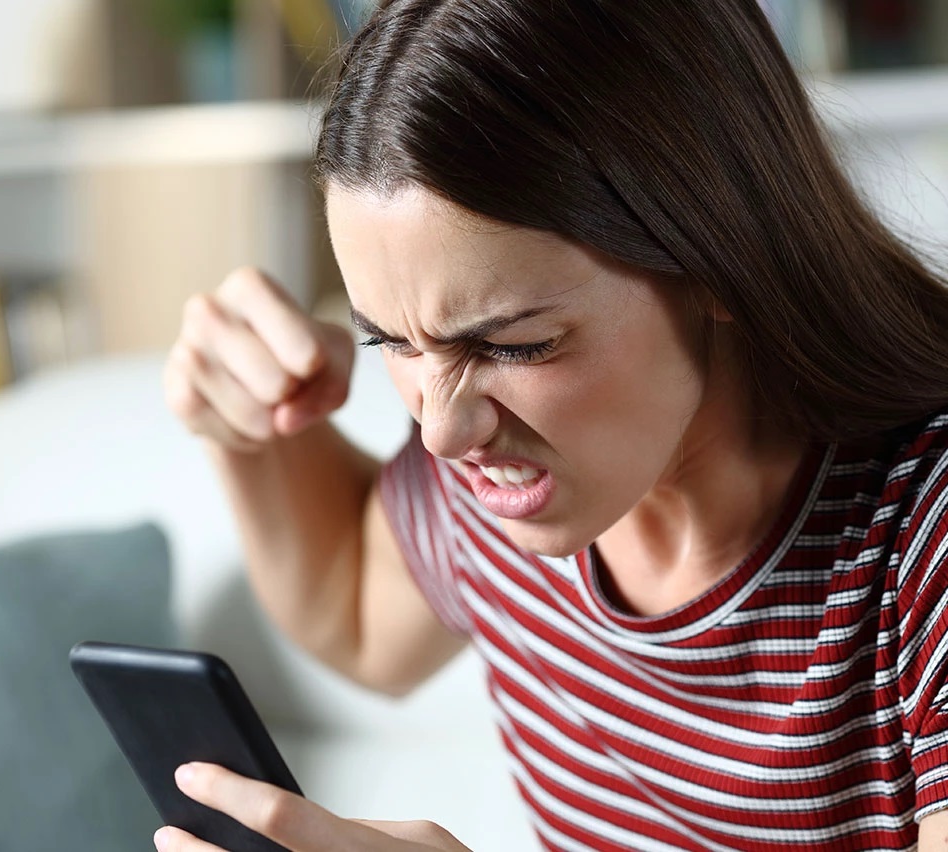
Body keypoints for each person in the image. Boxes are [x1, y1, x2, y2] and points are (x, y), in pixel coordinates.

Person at [159, 0, 948, 849]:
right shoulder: (500, 483)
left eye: (513, 344)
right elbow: (352, 610)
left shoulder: (922, 534)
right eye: (390, 338)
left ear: (723, 257)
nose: (443, 434)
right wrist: (249, 419)